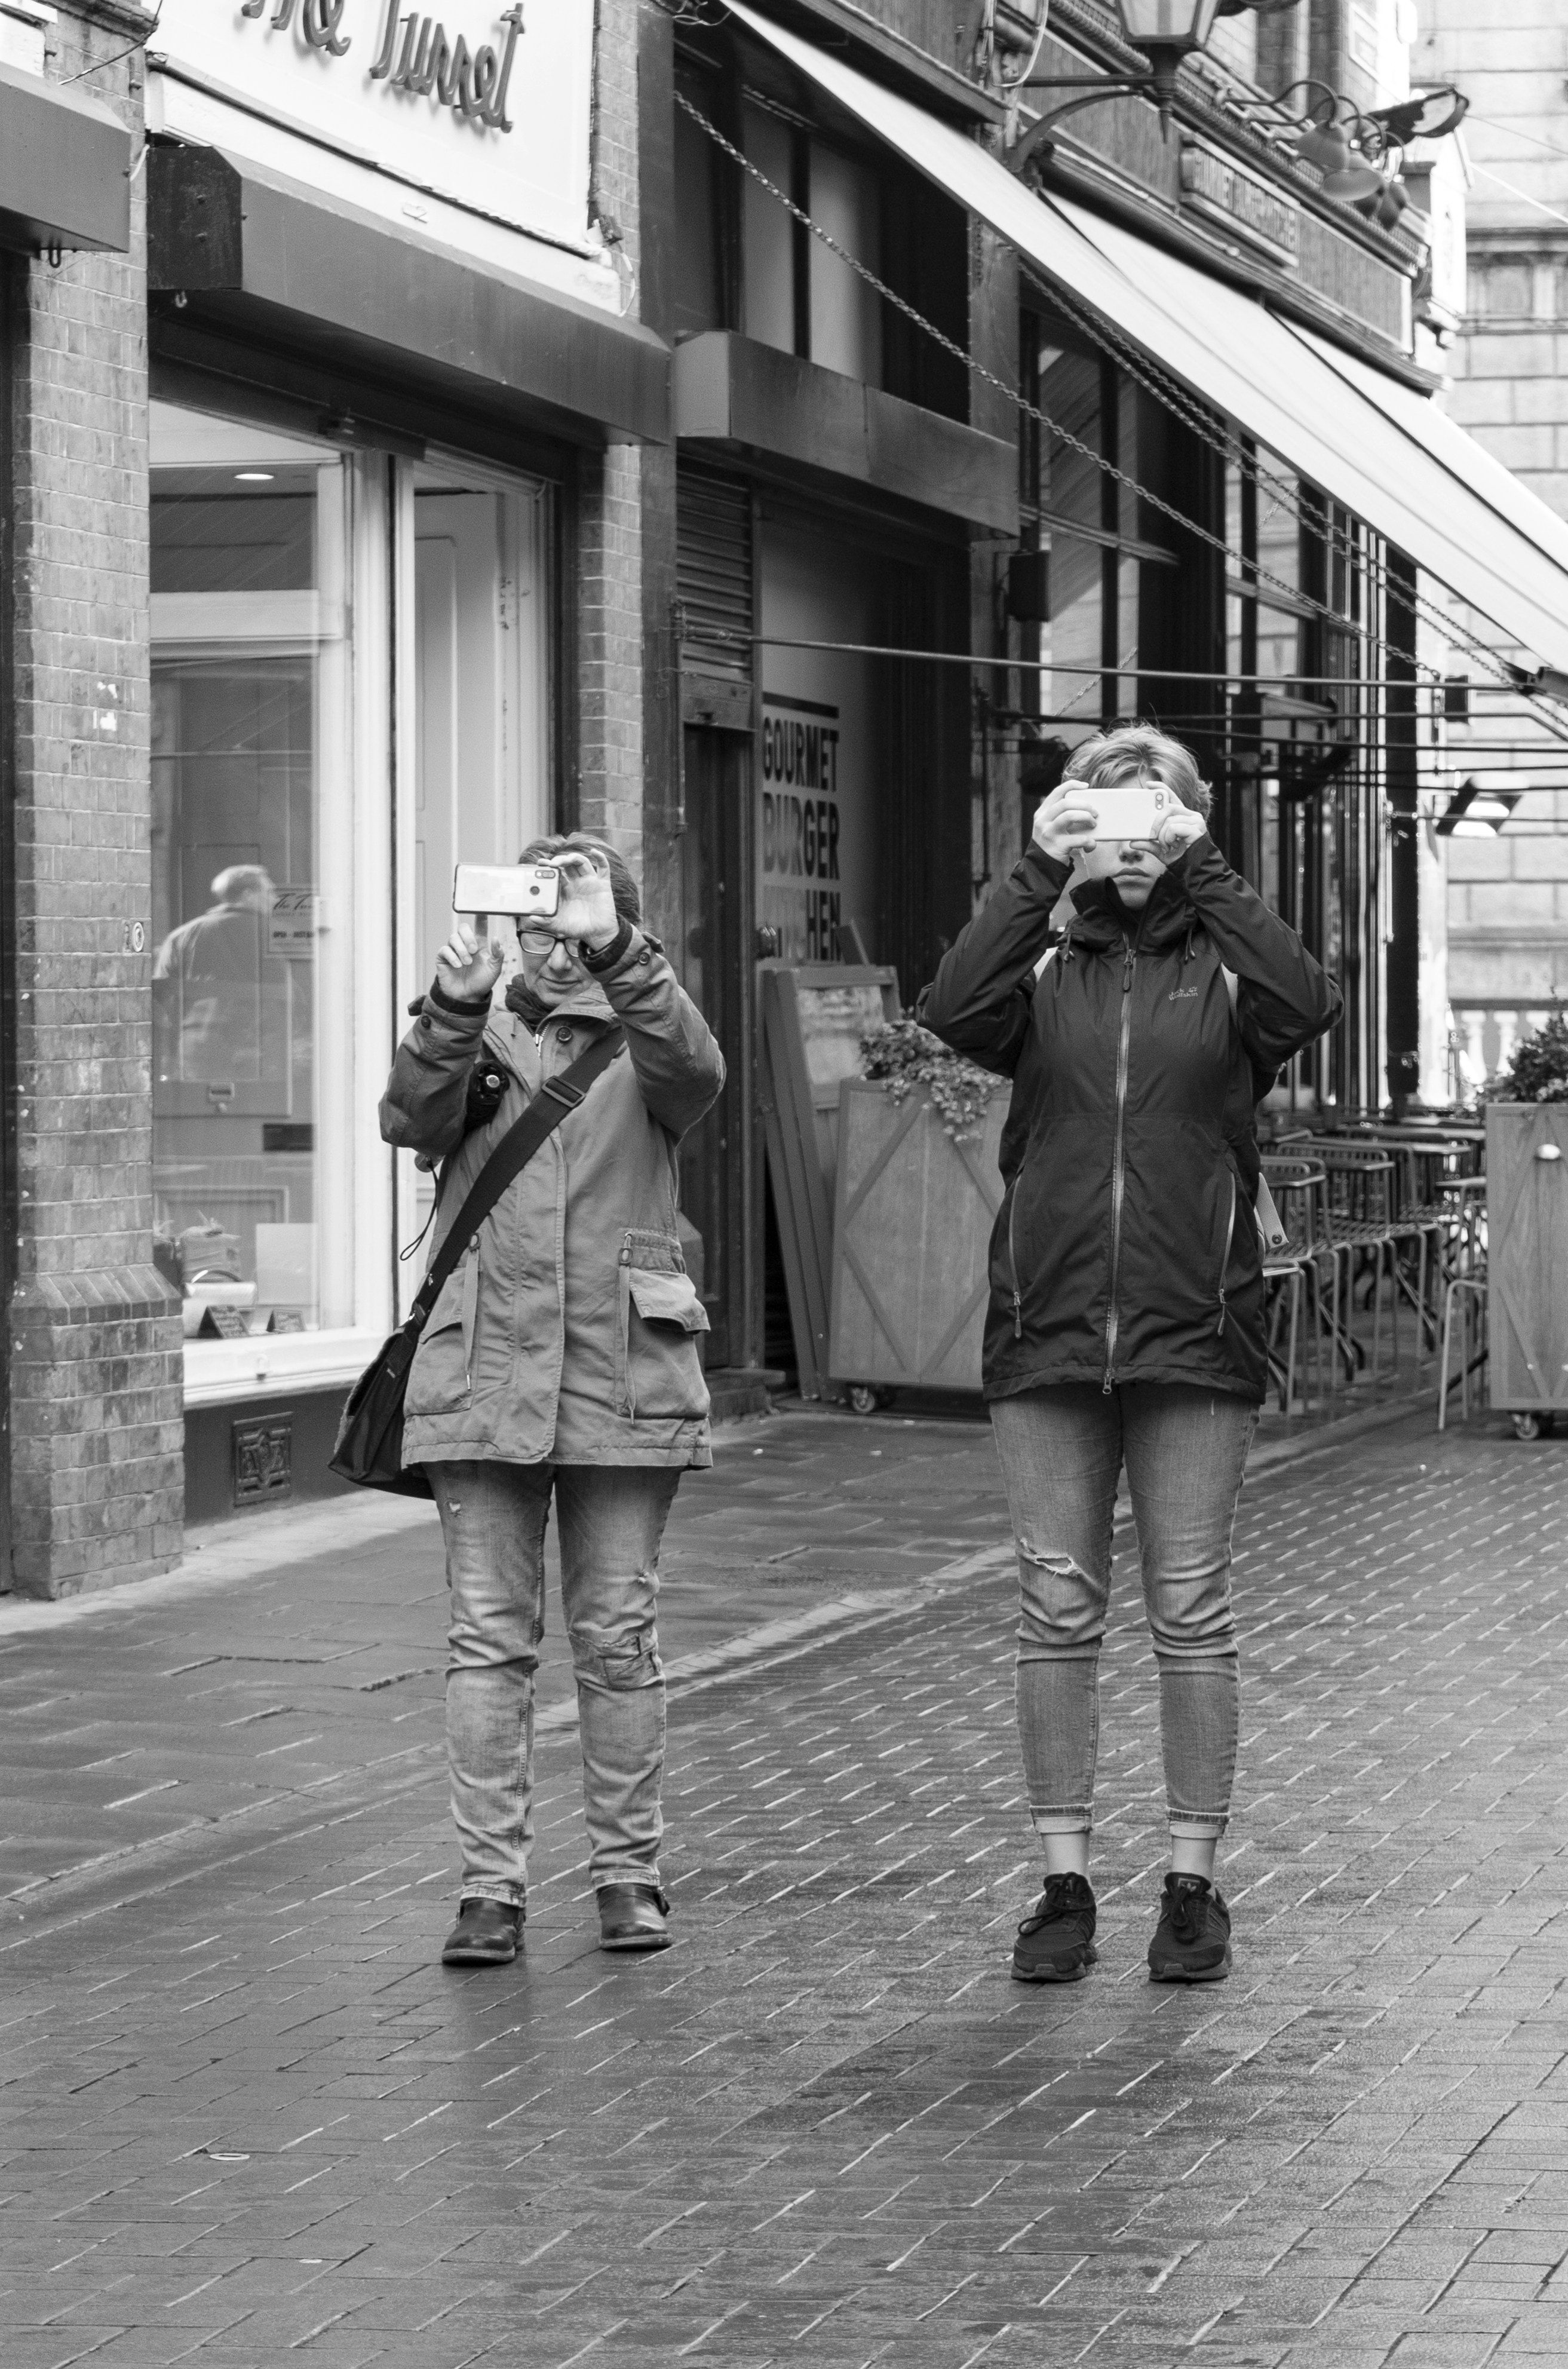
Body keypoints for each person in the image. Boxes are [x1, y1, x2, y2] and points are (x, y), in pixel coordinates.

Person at [921, 727, 1340, 1986]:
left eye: (1146, 808)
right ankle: (1061, 1883)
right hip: (1046, 1330)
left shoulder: (1226, 972)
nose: (1122, 832)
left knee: (1189, 1615)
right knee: (1054, 1613)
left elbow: (1306, 1003)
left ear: (1186, 821)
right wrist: (1030, 867)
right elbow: (950, 1011)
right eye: (1100, 809)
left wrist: (1198, 861)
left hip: (1194, 1325)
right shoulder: (1040, 964)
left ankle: (1190, 1886)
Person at [380, 836, 724, 1966]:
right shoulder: (477, 1021)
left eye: (567, 913)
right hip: (484, 1367)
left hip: (622, 1365)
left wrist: (616, 951)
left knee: (617, 1639)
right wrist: (452, 1003)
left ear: (611, 919)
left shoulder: (649, 1023)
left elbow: (698, 1077)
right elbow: (407, 1117)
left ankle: (629, 1874)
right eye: (533, 916)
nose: (546, 934)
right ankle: (491, 1890)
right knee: (487, 1642)